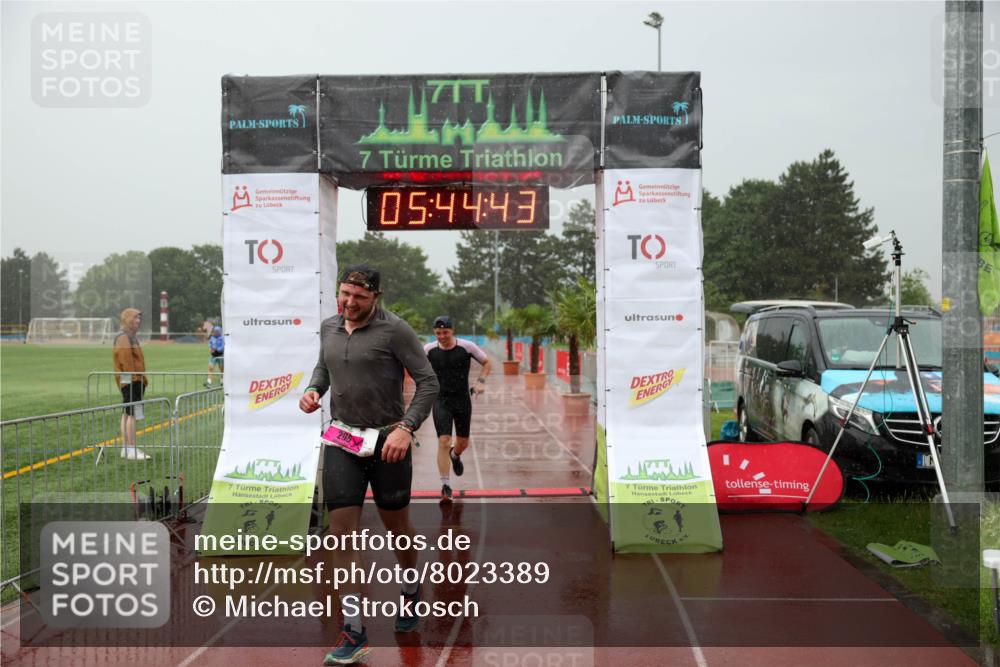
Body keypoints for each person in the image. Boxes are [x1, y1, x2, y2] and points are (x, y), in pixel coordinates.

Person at [298, 263, 438, 665]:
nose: (349, 303)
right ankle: (354, 629)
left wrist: (406, 429)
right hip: (343, 439)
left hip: (388, 441)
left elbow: (428, 382)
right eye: (344, 294)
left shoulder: (395, 330)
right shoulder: (329, 327)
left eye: (359, 297)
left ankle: (411, 590)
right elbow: (324, 368)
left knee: (398, 528)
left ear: (376, 296)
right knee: (341, 534)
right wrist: (312, 390)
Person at [424, 315, 491, 503]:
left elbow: (487, 363)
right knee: (444, 440)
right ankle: (445, 485)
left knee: (462, 444)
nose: (442, 336)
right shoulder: (428, 350)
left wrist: (481, 382)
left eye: (445, 332)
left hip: (462, 400)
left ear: (452, 330)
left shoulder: (467, 347)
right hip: (440, 401)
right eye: (438, 333)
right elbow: (416, 367)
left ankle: (456, 455)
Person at [113, 307, 149, 460]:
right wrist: (135, 379)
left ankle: (127, 448)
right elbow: (125, 361)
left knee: (128, 413)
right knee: (131, 414)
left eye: (139, 318)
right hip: (131, 381)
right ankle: (131, 449)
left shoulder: (130, 336)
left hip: (133, 380)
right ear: (127, 319)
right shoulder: (124, 337)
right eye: (135, 318)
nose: (138, 321)